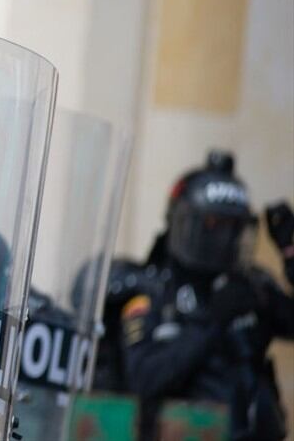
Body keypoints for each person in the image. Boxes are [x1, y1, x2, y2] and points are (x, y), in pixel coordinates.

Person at [120, 150, 294, 440]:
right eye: (213, 225)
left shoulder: (249, 286)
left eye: (232, 228)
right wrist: (211, 325)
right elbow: (144, 378)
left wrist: (291, 256)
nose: (222, 240)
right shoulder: (153, 290)